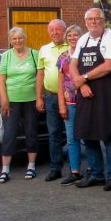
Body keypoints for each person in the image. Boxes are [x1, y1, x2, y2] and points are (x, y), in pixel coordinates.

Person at [69, 7, 111, 190]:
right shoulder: (83, 39)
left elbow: (108, 66)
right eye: (90, 19)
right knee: (87, 133)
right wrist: (81, 85)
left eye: (97, 18)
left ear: (103, 21)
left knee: (108, 133)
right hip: (85, 92)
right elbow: (73, 65)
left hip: (105, 92)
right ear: (85, 22)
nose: (93, 22)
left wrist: (84, 79)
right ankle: (97, 174)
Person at [0, 27, 41, 183]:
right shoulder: (6, 56)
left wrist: (39, 98)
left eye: (20, 38)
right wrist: (4, 100)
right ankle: (5, 170)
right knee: (9, 134)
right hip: (11, 101)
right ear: (10, 40)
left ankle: (31, 166)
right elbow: (1, 79)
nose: (17, 41)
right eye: (14, 39)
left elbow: (39, 78)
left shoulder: (35, 54)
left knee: (31, 132)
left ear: (25, 38)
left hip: (30, 100)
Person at [37, 19, 69, 181]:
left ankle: (76, 169)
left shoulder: (71, 46)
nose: (55, 32)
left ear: (64, 31)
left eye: (58, 29)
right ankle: (55, 167)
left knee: (74, 133)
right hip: (50, 97)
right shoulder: (43, 49)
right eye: (52, 30)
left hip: (70, 97)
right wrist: (39, 97)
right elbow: (40, 74)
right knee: (54, 134)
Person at [57, 25, 89, 186]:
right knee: (71, 138)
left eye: (76, 35)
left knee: (89, 136)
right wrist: (61, 104)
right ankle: (74, 171)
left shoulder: (86, 54)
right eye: (69, 35)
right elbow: (60, 82)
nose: (72, 38)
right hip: (69, 103)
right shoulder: (62, 57)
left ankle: (91, 168)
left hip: (86, 101)